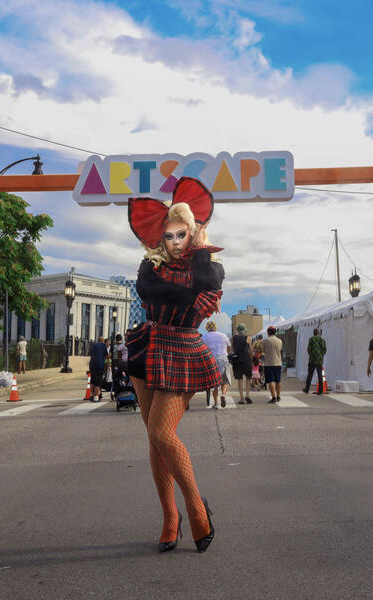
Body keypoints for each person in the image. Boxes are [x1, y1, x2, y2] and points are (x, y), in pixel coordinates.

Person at [127, 176, 224, 554]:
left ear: (193, 231)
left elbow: (205, 282)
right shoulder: (149, 267)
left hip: (182, 350)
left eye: (182, 232)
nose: (174, 240)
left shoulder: (209, 266)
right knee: (154, 438)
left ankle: (196, 508)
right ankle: (170, 517)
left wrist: (198, 251)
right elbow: (149, 291)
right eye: (169, 233)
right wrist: (188, 290)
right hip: (149, 346)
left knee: (164, 435)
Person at [202, 320, 231, 409]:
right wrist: (227, 354)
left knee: (215, 383)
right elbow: (229, 347)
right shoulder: (223, 335)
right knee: (225, 381)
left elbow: (202, 349)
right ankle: (223, 394)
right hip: (223, 358)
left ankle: (216, 403)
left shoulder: (205, 337)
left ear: (207, 328)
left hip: (212, 360)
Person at [231, 323, 253, 404]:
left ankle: (241, 398)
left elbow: (232, 349)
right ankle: (247, 394)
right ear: (244, 330)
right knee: (248, 378)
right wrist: (251, 359)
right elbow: (251, 350)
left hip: (237, 360)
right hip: (246, 360)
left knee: (239, 379)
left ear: (237, 330)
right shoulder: (248, 338)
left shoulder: (233, 338)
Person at [302, 328, 327, 395]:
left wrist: (311, 355)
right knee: (320, 375)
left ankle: (307, 389)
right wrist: (321, 356)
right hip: (319, 360)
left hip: (312, 360)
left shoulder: (311, 339)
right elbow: (325, 350)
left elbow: (309, 349)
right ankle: (320, 391)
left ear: (313, 333)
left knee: (310, 374)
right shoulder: (323, 340)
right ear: (319, 333)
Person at [263, 325, 283, 403]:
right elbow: (280, 350)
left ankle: (273, 397)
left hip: (269, 363)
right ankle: (278, 396)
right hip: (278, 362)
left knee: (271, 380)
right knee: (278, 380)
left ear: (268, 332)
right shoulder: (279, 341)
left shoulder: (265, 341)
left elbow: (263, 351)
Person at [89, 336, 108, 402]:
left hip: (92, 365)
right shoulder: (103, 345)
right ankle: (96, 397)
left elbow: (90, 353)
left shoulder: (93, 345)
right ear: (102, 341)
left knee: (93, 380)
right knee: (98, 381)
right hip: (99, 365)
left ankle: (91, 395)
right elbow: (106, 355)